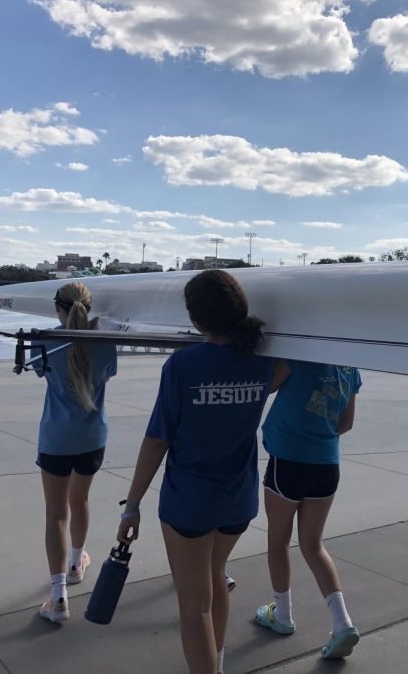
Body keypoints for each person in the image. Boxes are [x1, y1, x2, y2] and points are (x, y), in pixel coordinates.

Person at [117, 269, 288, 674]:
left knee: (194, 610)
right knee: (215, 576)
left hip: (189, 505)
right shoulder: (261, 365)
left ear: (196, 320)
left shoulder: (183, 364)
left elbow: (157, 440)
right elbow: (286, 370)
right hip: (237, 503)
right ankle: (219, 663)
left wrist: (133, 504)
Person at [254, 360, 362, 660]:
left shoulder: (296, 358)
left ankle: (283, 615)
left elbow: (262, 387)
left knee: (278, 541)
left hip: (288, 459)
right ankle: (342, 623)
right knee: (313, 545)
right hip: (327, 463)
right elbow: (346, 423)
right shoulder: (351, 369)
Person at [35, 282, 117, 622]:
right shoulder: (104, 343)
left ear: (58, 308)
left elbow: (42, 371)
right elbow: (105, 375)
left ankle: (58, 598)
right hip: (92, 437)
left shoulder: (46, 340)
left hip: (56, 438)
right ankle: (76, 561)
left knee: (55, 513)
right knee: (79, 501)